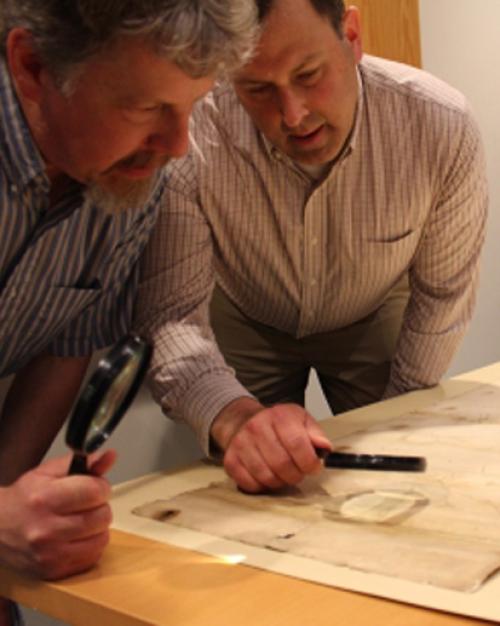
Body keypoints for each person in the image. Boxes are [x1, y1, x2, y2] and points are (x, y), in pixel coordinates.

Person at [136, 0, 488, 495]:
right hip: (245, 309)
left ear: (351, 33)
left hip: (373, 307)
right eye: (258, 89)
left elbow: (442, 298)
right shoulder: (191, 135)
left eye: (308, 74)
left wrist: (401, 422)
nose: (294, 114)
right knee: (253, 489)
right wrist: (235, 422)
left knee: (401, 474)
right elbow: (171, 317)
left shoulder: (440, 125)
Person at [0, 0, 256, 621]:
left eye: (193, 106)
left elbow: (66, 340)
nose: (178, 146)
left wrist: (8, 506)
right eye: (147, 108)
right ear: (33, 66)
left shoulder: (130, 178)